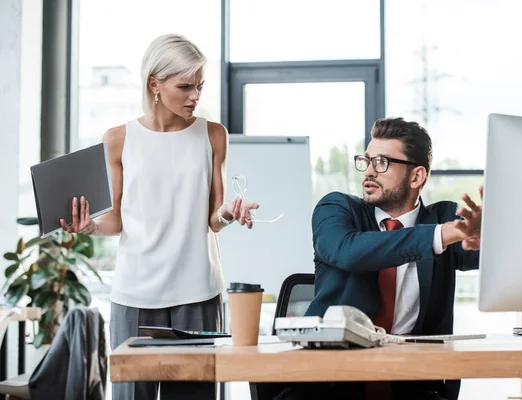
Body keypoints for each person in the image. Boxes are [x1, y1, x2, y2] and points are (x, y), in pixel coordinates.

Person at [60, 34, 258, 400]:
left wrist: (229, 212)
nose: (195, 96)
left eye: (199, 85)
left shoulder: (213, 135)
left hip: (198, 293)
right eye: (185, 86)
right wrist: (89, 226)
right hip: (135, 295)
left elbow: (213, 217)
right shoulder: (118, 138)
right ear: (155, 84)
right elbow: (116, 218)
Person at [276, 117, 483, 400]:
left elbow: (491, 257)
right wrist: (440, 236)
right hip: (328, 381)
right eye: (367, 160)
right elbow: (347, 252)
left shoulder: (444, 218)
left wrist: (489, 239)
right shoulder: (337, 209)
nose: (369, 172)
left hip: (410, 384)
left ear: (416, 176)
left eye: (382, 162)